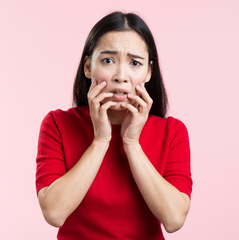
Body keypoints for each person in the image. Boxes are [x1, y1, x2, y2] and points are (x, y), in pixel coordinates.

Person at [35, 11, 193, 240]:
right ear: (88, 67)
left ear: (148, 72)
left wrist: (131, 144)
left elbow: (174, 219)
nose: (121, 76)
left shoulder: (172, 132)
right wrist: (100, 141)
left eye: (135, 63)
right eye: (108, 60)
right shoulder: (58, 124)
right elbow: (54, 213)